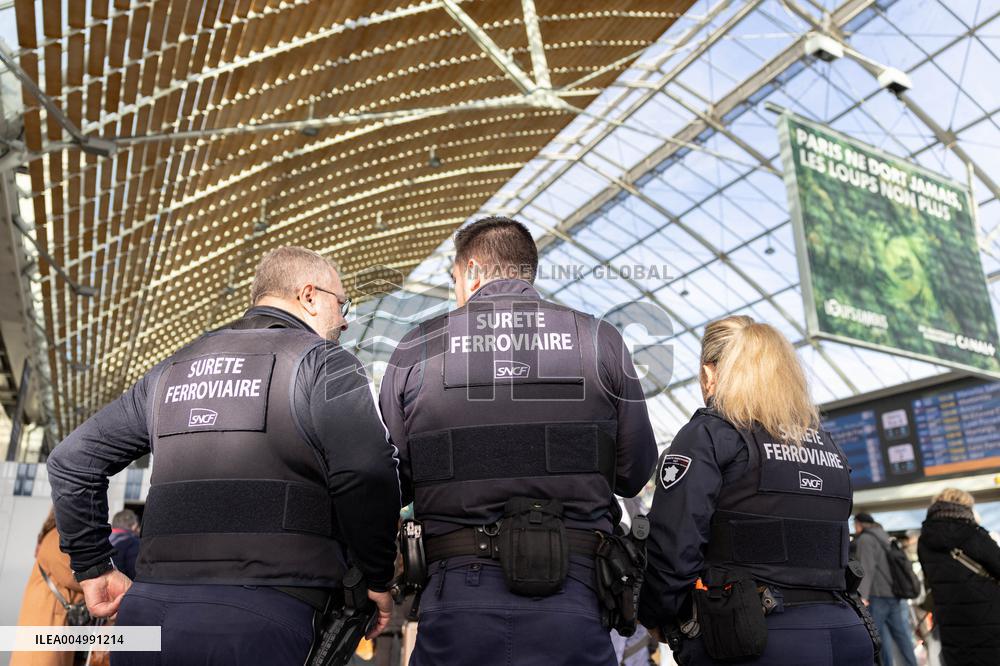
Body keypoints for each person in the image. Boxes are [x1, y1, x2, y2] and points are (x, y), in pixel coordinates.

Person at [46, 246, 402, 664]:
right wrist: (377, 577)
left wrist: (94, 568)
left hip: (146, 615)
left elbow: (71, 460)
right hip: (261, 617)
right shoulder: (323, 364)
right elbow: (367, 471)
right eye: (341, 304)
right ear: (308, 295)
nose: (344, 319)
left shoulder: (172, 369)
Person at [378, 216, 658, 665]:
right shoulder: (599, 340)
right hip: (576, 597)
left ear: (471, 272)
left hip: (456, 600)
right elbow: (634, 473)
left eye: (454, 279)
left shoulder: (417, 348)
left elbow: (391, 483)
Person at [639, 315, 875, 665]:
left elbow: (674, 547)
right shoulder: (827, 446)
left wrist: (655, 615)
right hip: (846, 633)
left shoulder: (708, 435)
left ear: (710, 373)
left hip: (752, 639)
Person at [917, 488, 1000, 666]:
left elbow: (930, 580)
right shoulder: (973, 533)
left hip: (950, 621)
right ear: (965, 505)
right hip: (987, 618)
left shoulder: (924, 540)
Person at [12, 508, 84, 666]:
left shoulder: (56, 535)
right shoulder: (58, 536)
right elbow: (73, 576)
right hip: (48, 621)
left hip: (49, 619)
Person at [855, 512, 919, 666]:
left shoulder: (865, 539)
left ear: (859, 524)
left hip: (878, 596)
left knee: (879, 638)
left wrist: (862, 596)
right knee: (902, 636)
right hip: (894, 594)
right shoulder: (883, 536)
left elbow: (866, 568)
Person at [109, 509, 141, 579]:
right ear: (134, 526)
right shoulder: (133, 542)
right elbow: (134, 573)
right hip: (122, 586)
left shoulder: (103, 539)